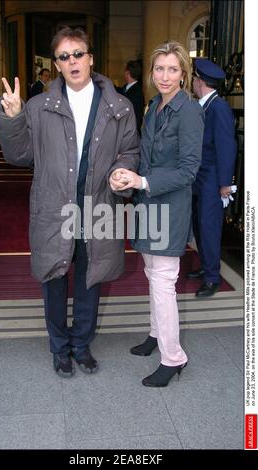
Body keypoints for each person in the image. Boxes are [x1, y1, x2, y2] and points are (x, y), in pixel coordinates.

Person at [0, 27, 139, 377]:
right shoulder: (39, 106)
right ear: (56, 65)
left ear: (91, 59)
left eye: (78, 54)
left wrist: (123, 171)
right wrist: (13, 118)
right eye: (64, 56)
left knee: (91, 280)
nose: (72, 61)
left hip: (99, 207)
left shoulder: (119, 106)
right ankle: (59, 348)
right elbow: (19, 155)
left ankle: (81, 344)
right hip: (53, 207)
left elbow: (130, 151)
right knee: (54, 279)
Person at [110, 41, 204, 387]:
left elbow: (189, 169)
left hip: (170, 206)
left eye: (173, 69)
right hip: (148, 203)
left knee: (163, 281)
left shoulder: (190, 111)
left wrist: (143, 180)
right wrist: (126, 176)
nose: (165, 76)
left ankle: (173, 357)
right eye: (159, 69)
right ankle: (155, 334)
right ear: (151, 73)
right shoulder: (153, 105)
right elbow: (143, 155)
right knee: (152, 273)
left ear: (184, 73)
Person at [187, 58, 237, 297]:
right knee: (199, 226)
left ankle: (212, 277)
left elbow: (227, 146)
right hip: (200, 178)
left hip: (212, 180)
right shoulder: (204, 105)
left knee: (209, 228)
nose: (192, 83)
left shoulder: (219, 107)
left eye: (194, 79)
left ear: (200, 81)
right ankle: (206, 267)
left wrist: (225, 183)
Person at [119, 60, 145, 134]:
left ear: (127, 73)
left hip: (131, 134)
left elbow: (137, 118)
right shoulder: (125, 88)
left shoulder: (137, 92)